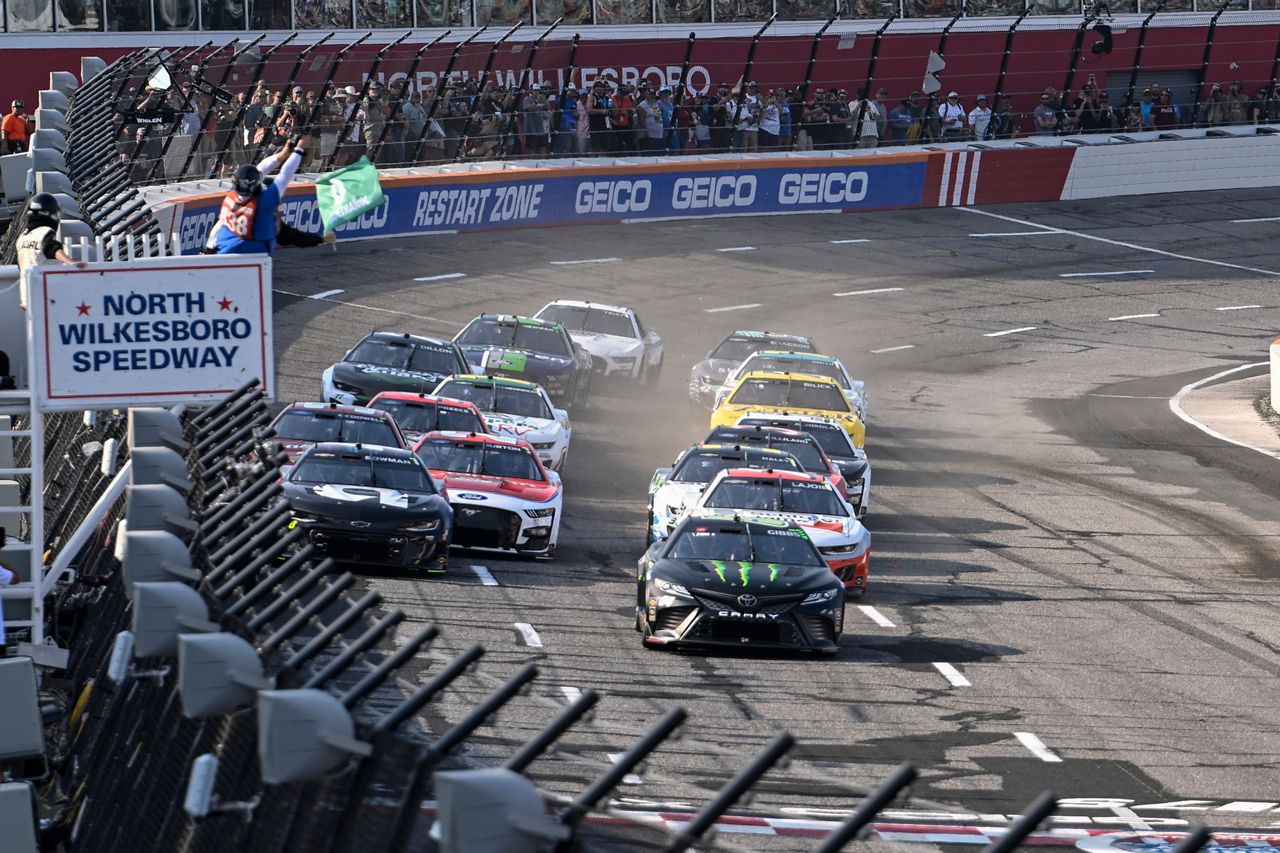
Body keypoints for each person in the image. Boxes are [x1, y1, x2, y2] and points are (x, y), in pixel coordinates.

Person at [206, 134, 318, 255]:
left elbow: (260, 169)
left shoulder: (232, 195)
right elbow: (285, 175)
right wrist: (299, 149)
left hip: (220, 251)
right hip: (251, 257)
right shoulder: (264, 203)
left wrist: (284, 154)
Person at [16, 193, 85, 311]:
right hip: (48, 296)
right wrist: (70, 262)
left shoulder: (23, 238)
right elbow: (53, 249)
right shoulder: (44, 233)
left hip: (28, 297)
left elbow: (20, 265)